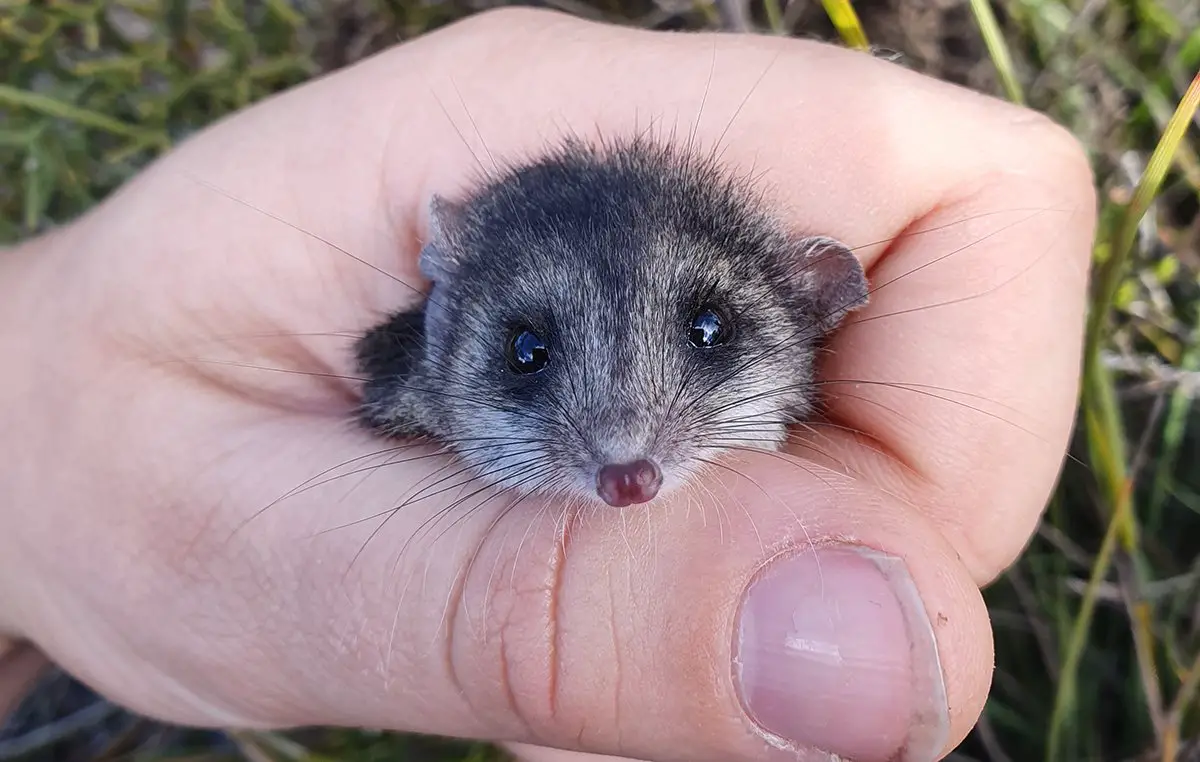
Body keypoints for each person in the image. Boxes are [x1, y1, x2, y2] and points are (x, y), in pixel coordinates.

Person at [0, 8, 1095, 762]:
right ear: (444, 318)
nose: (625, 442)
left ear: (819, 292)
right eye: (530, 354)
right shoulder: (407, 377)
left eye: (707, 332)